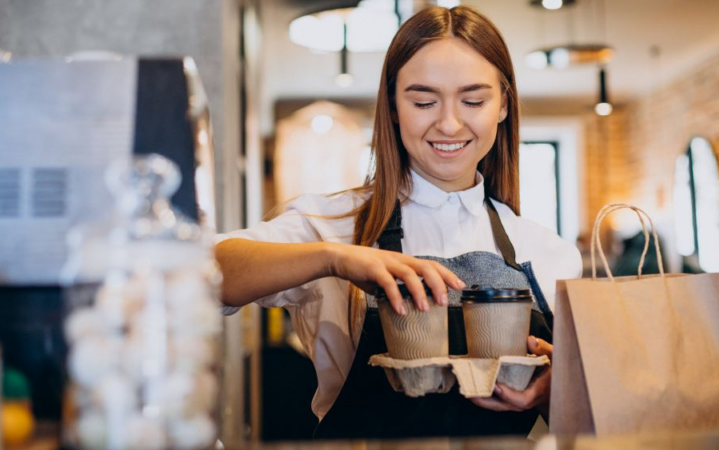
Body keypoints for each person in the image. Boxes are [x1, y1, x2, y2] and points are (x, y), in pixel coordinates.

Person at [216, 5, 581, 439]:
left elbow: (586, 422)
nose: (448, 123)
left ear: (503, 105)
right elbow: (199, 272)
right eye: (424, 101)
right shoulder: (335, 225)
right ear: (392, 106)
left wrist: (554, 390)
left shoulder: (547, 252)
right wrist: (334, 260)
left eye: (474, 100)